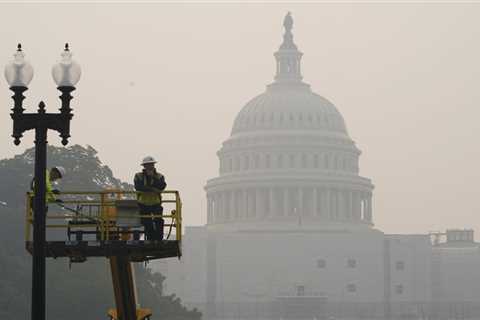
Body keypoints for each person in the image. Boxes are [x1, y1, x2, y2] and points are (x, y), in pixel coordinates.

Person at [134, 156, 167, 241]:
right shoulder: (138, 176)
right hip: (143, 203)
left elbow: (162, 186)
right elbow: (138, 187)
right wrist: (152, 189)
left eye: (151, 165)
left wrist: (154, 178)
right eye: (147, 165)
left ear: (153, 165)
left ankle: (159, 239)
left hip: (156, 203)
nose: (149, 166)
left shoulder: (159, 176)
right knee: (146, 222)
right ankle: (151, 239)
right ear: (144, 166)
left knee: (158, 220)